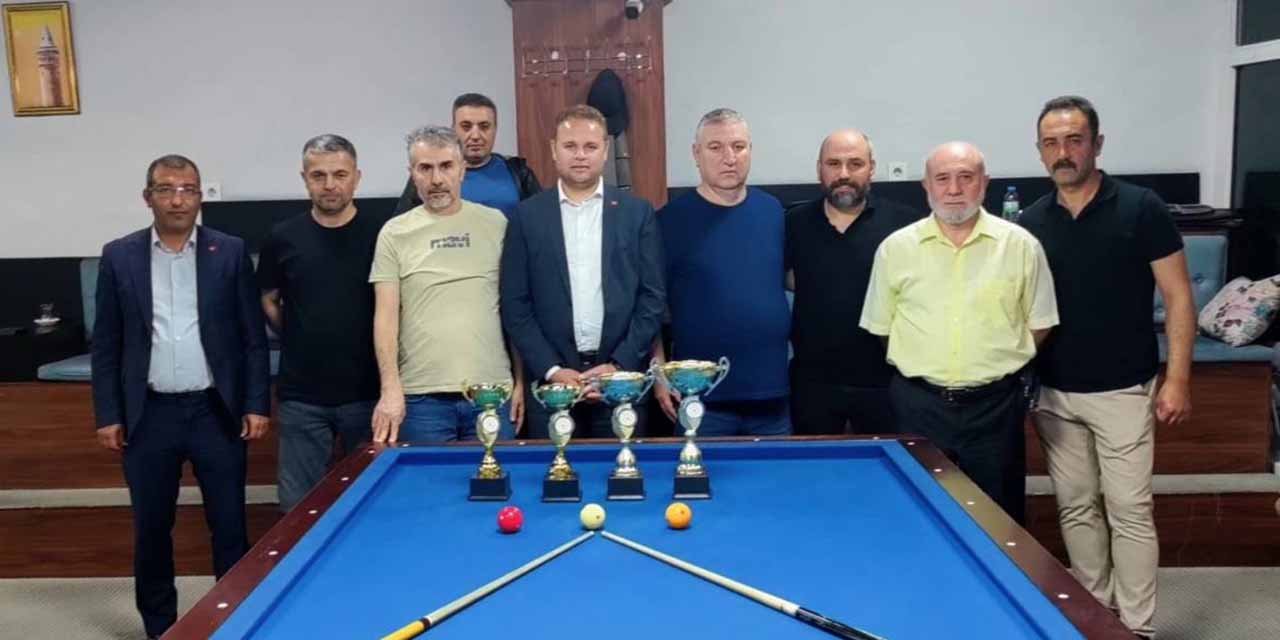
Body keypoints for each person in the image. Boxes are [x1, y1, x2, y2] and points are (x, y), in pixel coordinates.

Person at [1019, 95, 1194, 639]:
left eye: (1074, 140)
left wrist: (1178, 379)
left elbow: (1179, 296)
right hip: (1054, 393)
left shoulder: (1142, 207)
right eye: (1051, 143)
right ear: (1039, 151)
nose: (1063, 152)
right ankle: (1096, 617)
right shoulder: (1030, 221)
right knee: (1075, 509)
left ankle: (1137, 627)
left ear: (1097, 144)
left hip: (1124, 389)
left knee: (1129, 510)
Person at [91, 154, 270, 639]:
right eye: (166, 189)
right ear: (147, 197)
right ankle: (160, 628)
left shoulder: (229, 251)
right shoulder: (119, 255)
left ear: (199, 196)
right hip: (148, 414)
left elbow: (252, 338)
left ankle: (233, 622)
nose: (177, 199)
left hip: (215, 411)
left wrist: (256, 403)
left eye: (188, 189)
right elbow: (106, 343)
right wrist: (108, 413)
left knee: (229, 526)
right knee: (152, 529)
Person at [860, 141, 1058, 524]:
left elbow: (1041, 324)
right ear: (926, 186)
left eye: (966, 177)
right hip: (918, 407)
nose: (954, 189)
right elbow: (884, 330)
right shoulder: (895, 249)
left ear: (984, 183)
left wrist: (989, 364)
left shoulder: (1020, 246)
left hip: (995, 408)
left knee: (999, 521)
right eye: (942, 179)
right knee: (919, 516)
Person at [500, 105, 665, 438]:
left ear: (605, 150)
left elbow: (652, 297)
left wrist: (619, 366)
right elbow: (515, 304)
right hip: (551, 388)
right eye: (570, 146)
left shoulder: (637, 213)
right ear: (553, 150)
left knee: (623, 470)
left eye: (590, 146)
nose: (580, 155)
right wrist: (552, 369)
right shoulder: (526, 217)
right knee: (555, 472)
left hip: (622, 383)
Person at [258, 134, 385, 513]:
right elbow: (268, 299)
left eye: (340, 174)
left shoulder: (383, 235)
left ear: (357, 177)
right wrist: (300, 335)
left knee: (371, 505)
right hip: (302, 398)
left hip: (369, 394)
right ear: (305, 178)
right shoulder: (282, 237)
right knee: (297, 509)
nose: (330, 184)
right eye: (319, 175)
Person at [370, 126, 521, 443]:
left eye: (446, 166)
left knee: (496, 477)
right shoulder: (394, 233)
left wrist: (520, 381)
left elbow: (515, 307)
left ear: (462, 170)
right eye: (425, 168)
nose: (436, 179)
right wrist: (390, 388)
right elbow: (385, 318)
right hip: (421, 399)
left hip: (492, 393)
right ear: (412, 174)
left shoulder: (497, 224)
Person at [654, 108, 792, 436]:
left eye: (738, 146)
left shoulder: (772, 211)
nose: (729, 158)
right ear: (696, 154)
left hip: (772, 395)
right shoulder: (667, 221)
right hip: (700, 397)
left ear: (750, 151)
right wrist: (658, 373)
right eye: (715, 147)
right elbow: (650, 305)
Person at [785, 129, 921, 435]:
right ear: (819, 169)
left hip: (885, 385)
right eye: (833, 164)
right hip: (811, 386)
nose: (844, 174)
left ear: (871, 168)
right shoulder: (793, 223)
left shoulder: (906, 225)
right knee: (815, 464)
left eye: (855, 163)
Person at [393, 93, 541, 217]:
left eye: (484, 126)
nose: (475, 135)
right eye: (466, 127)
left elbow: (540, 222)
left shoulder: (518, 172)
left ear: (495, 129)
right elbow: (403, 227)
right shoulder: (429, 175)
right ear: (453, 129)